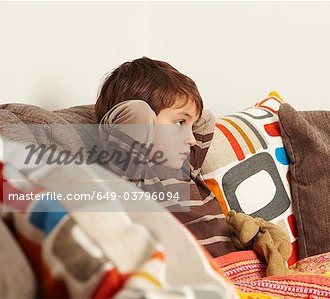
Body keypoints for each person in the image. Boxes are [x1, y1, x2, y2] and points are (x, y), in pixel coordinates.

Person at [94, 56, 236, 257]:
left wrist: (186, 112)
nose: (192, 140)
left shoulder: (187, 166)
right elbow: (137, 113)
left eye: (190, 126)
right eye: (180, 123)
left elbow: (206, 118)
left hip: (237, 265)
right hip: (200, 273)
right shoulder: (133, 173)